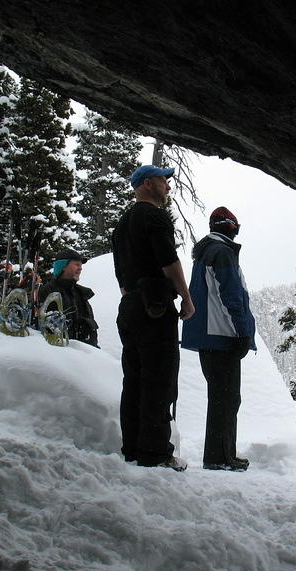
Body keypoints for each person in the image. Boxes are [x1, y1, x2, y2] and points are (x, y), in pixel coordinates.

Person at [111, 164, 195, 471]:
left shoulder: (121, 225)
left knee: (133, 378)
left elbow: (121, 273)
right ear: (147, 184)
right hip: (155, 304)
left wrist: (132, 300)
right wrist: (185, 296)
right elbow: (168, 261)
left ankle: (133, 447)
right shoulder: (155, 216)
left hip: (130, 304)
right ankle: (156, 452)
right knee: (159, 378)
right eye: (163, 180)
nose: (168, 185)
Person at [181, 207, 255, 471]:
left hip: (209, 336)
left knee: (221, 397)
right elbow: (231, 295)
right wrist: (243, 332)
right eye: (236, 225)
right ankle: (220, 457)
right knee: (227, 398)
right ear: (231, 227)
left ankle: (220, 454)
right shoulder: (222, 252)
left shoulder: (206, 252)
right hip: (223, 336)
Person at [38, 247, 99, 347]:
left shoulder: (82, 294)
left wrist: (94, 351)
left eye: (81, 265)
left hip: (85, 355)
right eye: (76, 264)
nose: (80, 268)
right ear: (63, 266)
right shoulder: (47, 292)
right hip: (59, 355)